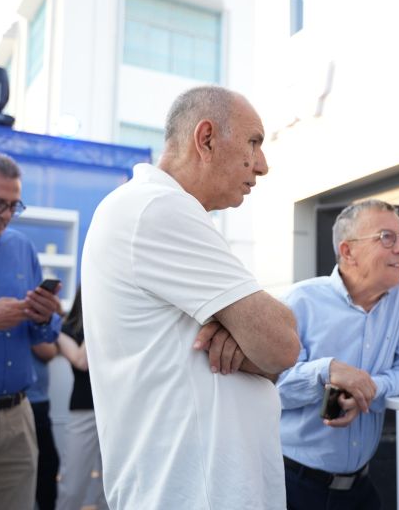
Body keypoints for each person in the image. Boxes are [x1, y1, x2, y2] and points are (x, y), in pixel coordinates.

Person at [81, 86, 300, 509]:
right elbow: (282, 343)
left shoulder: (153, 209)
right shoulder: (158, 209)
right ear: (206, 139)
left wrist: (246, 337)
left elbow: (269, 349)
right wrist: (251, 338)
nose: (263, 165)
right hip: (194, 492)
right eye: (254, 143)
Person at [277, 199, 399, 509]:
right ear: (347, 251)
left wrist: (366, 390)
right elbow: (274, 389)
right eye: (387, 237)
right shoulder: (299, 300)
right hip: (294, 485)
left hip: (360, 487)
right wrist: (326, 371)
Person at [0, 151, 63, 510]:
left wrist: (42, 317)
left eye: (12, 205)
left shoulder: (21, 247)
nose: (4, 215)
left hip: (18, 417)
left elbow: (45, 336)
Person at [55, 287, 107, 510]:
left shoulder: (115, 325)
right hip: (84, 409)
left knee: (111, 484)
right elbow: (81, 361)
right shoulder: (65, 330)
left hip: (117, 411)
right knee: (73, 483)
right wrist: (99, 319)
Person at [28, 342, 61, 510]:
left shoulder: (31, 319)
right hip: (23, 401)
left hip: (37, 402)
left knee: (47, 466)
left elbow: (49, 352)